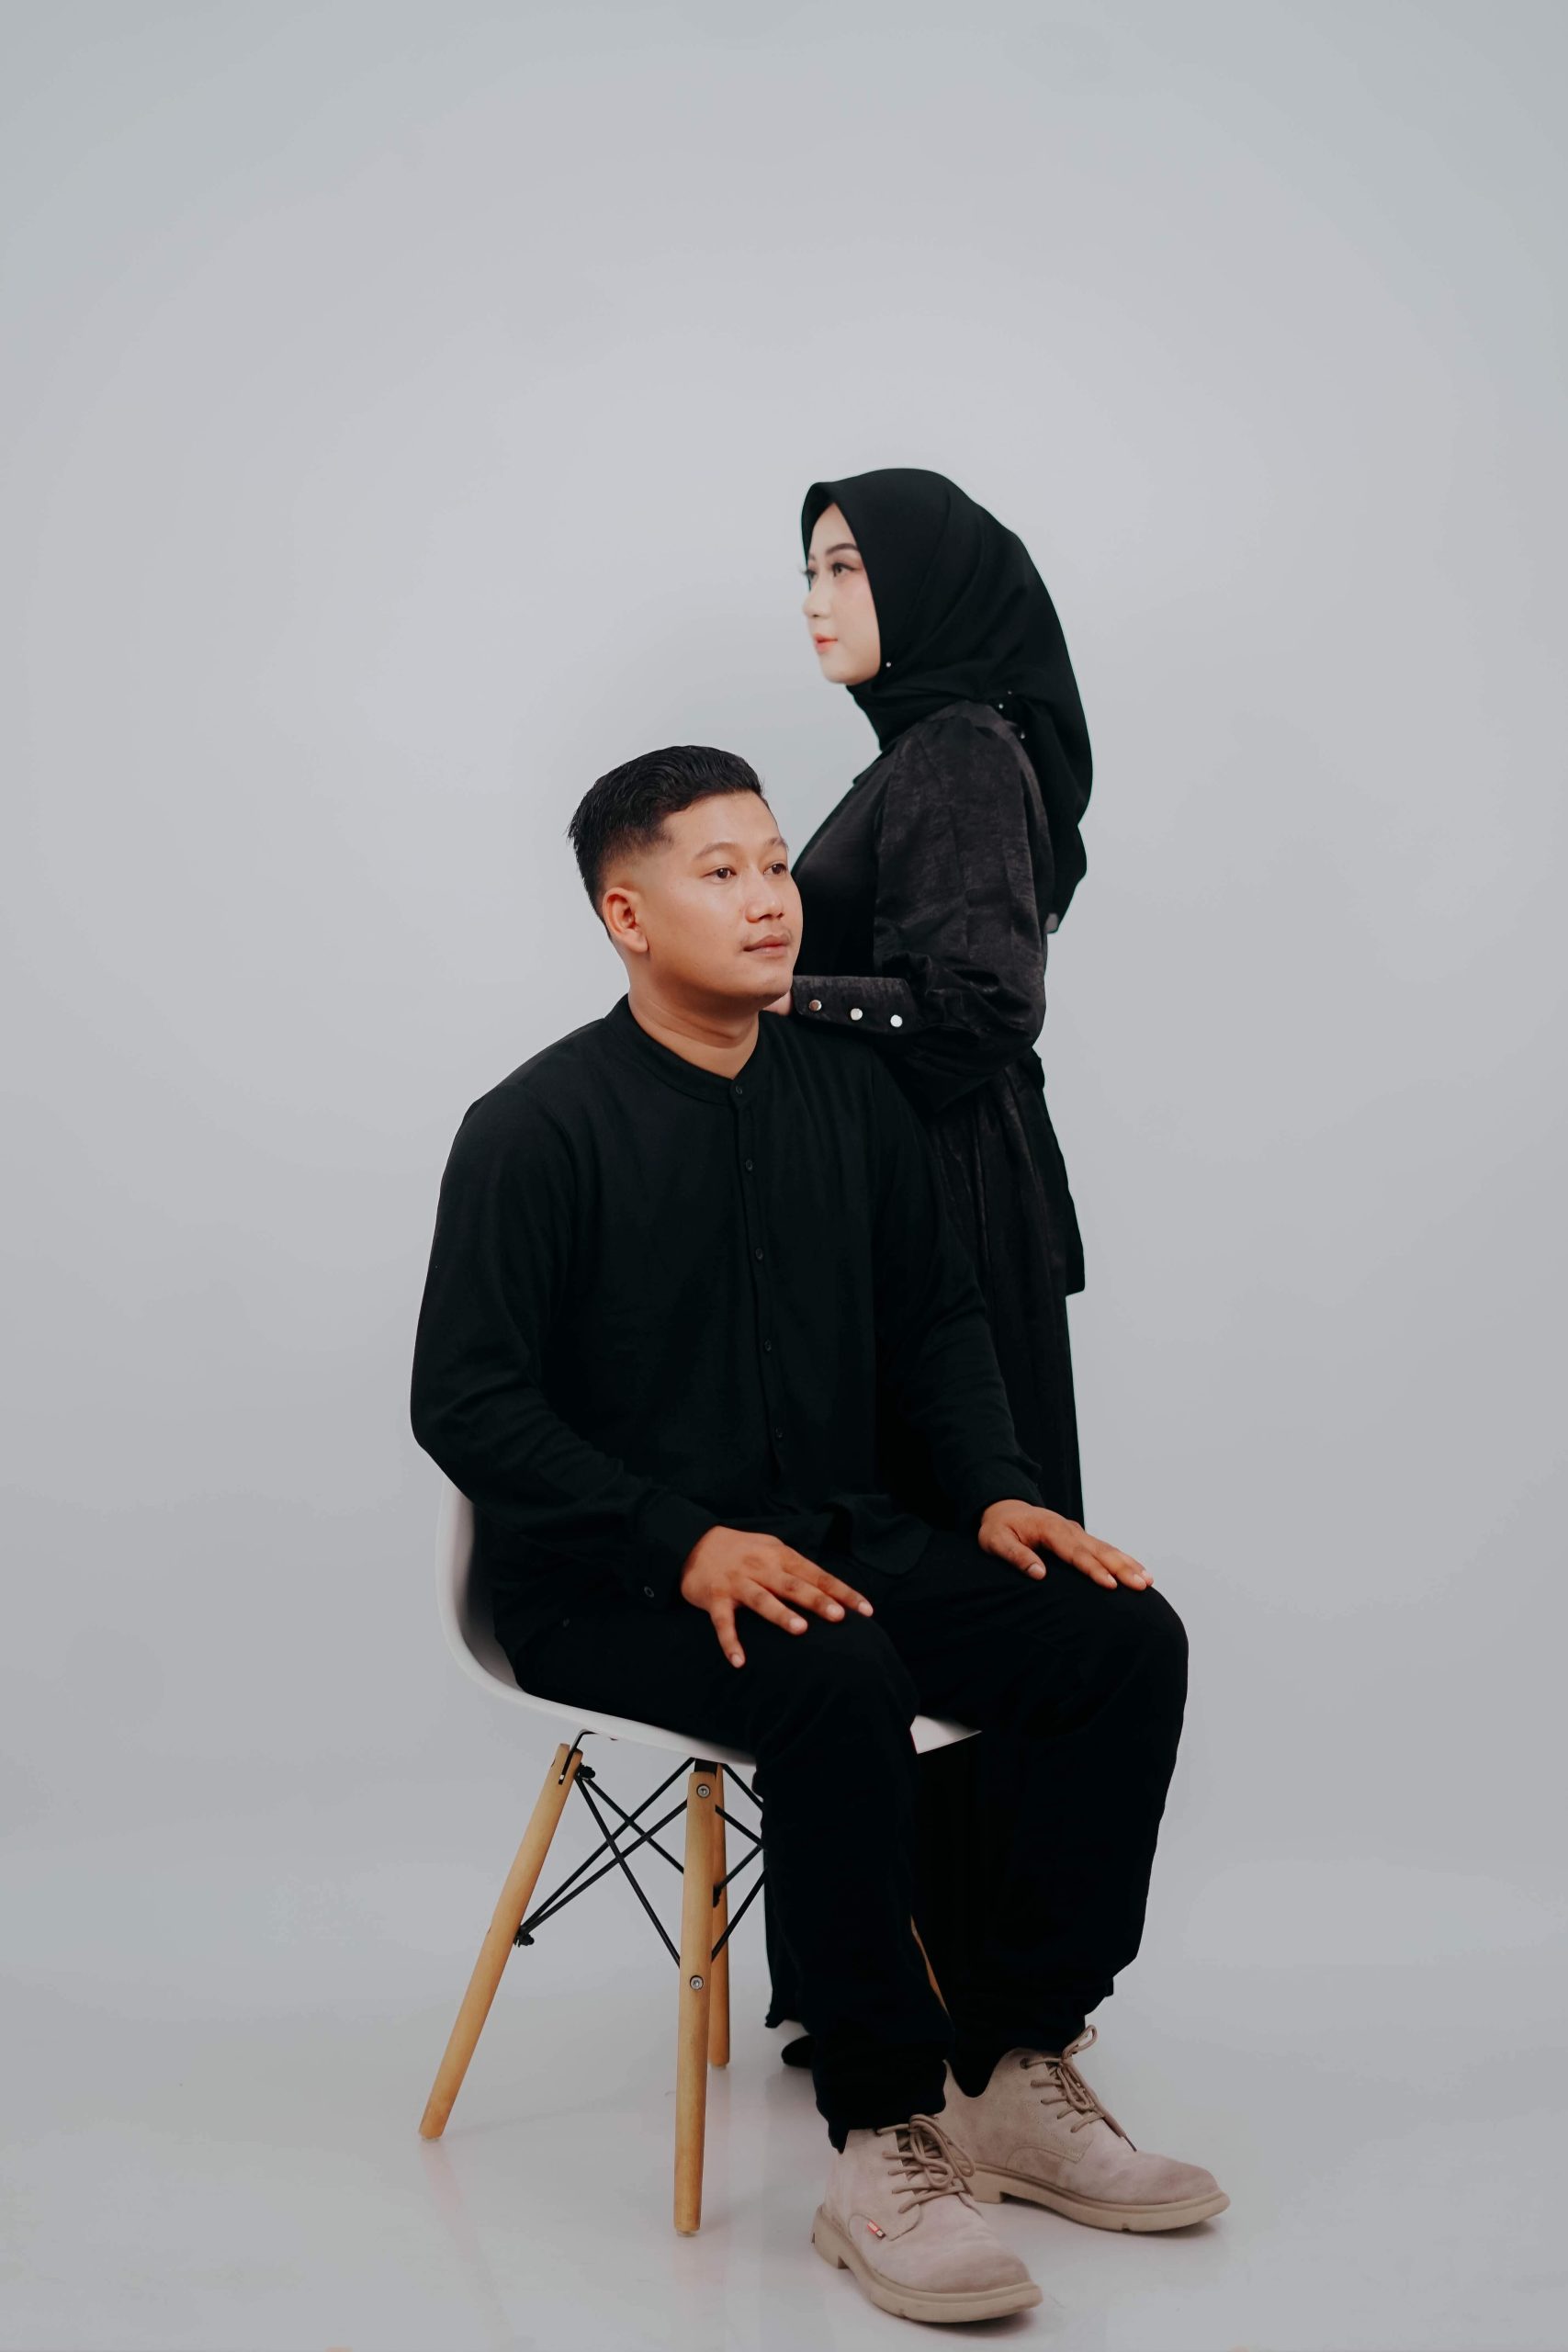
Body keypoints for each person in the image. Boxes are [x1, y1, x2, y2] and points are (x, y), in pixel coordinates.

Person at [411, 744, 1224, 2328]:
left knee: (1120, 1638)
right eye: (721, 872)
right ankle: (880, 2135)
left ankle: (1007, 2056)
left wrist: (994, 1488)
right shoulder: (534, 1126)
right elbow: (468, 1400)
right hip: (607, 1582)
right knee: (837, 1671)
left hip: (841, 1540)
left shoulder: (852, 1093)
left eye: (778, 864)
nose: (770, 899)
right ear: (626, 915)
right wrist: (678, 1537)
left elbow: (937, 1323)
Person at [761, 468, 1094, 2052]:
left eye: (845, 566)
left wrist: (768, 1001)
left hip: (950, 1215)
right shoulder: (919, 753)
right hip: (913, 1202)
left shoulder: (959, 748)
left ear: (932, 585)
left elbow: (978, 1010)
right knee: (903, 1585)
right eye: (807, 571)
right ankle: (904, 1978)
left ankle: (968, 1995)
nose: (816, 599)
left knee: (962, 1575)